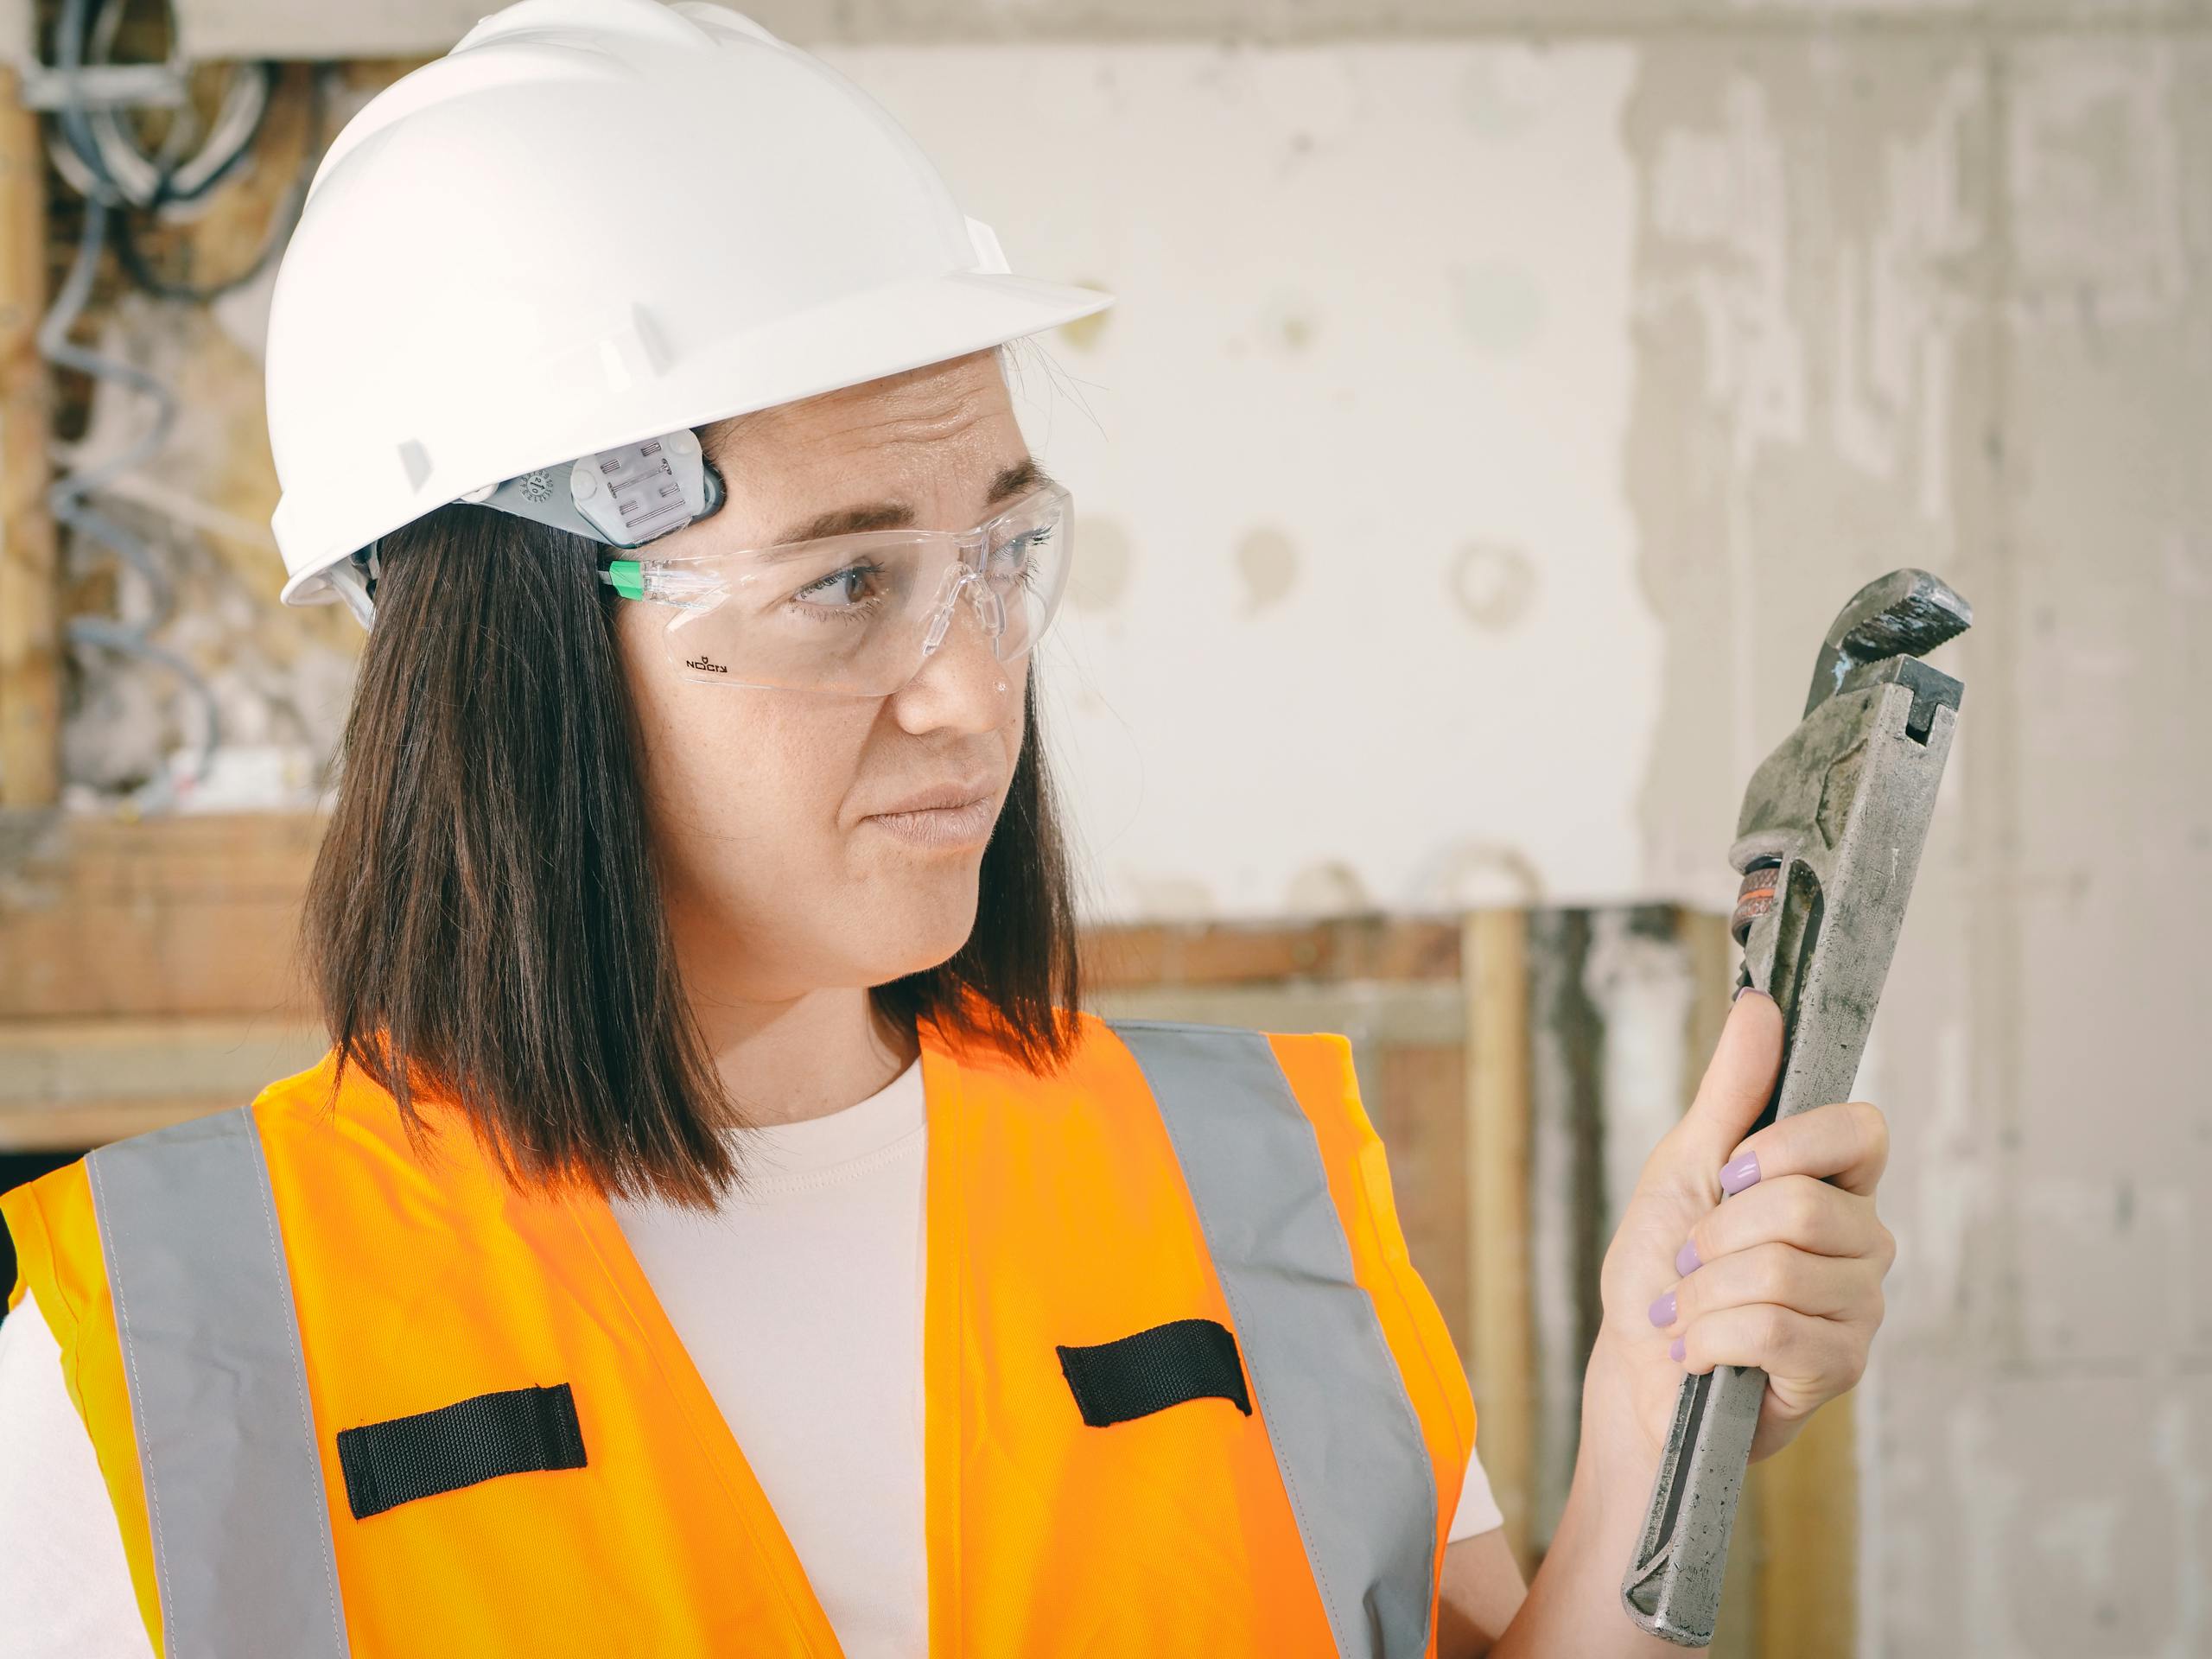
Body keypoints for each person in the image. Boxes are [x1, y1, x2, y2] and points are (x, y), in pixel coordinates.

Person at [0, 3, 1895, 1655]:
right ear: (517, 654)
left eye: (996, 554)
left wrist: (1647, 1436)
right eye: (844, 587)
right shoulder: (168, 1357)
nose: (974, 689)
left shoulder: (1241, 1189)